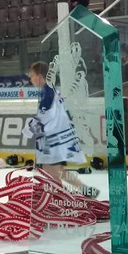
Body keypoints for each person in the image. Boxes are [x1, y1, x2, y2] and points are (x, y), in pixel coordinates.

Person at [24, 62, 96, 197]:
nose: (31, 79)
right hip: (59, 138)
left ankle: (63, 195)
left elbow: (45, 116)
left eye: (32, 76)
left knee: (53, 169)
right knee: (55, 170)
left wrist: (29, 129)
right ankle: (64, 194)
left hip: (55, 140)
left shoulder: (47, 92)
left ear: (40, 76)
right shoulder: (53, 90)